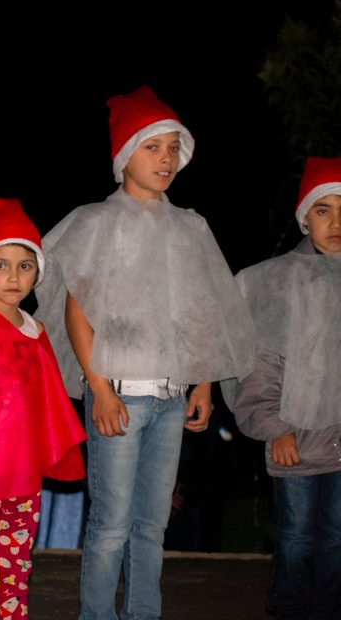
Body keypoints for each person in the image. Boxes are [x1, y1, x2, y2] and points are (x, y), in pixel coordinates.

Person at [34, 85, 255, 620]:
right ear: (124, 154)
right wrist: (101, 387)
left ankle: (143, 614)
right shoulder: (96, 222)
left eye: (172, 148)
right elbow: (77, 310)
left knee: (152, 524)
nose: (165, 159)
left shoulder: (191, 226)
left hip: (172, 396)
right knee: (111, 522)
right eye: (152, 146)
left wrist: (202, 382)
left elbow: (200, 310)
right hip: (120, 394)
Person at [0, 197, 86, 619]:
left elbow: (48, 401)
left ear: (37, 273)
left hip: (23, 478)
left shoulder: (36, 329)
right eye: (0, 264)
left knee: (15, 574)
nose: (12, 276)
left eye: (24, 266)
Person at [228, 155, 341, 620]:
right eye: (324, 210)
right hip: (295, 440)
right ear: (304, 218)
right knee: (295, 535)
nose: (336, 222)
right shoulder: (274, 282)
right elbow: (260, 363)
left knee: (338, 536)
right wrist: (274, 426)